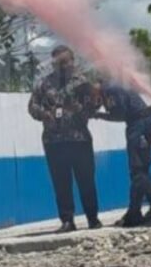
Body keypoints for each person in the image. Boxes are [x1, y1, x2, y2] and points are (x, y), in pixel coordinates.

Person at [28, 45, 101, 233]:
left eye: (66, 62)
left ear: (73, 61)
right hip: (54, 141)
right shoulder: (44, 84)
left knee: (86, 180)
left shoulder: (83, 82)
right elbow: (32, 106)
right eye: (58, 63)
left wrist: (83, 108)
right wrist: (45, 114)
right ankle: (67, 220)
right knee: (61, 183)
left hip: (79, 139)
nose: (63, 66)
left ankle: (92, 218)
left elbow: (94, 106)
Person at [90, 78, 151, 227]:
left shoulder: (110, 90)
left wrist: (99, 115)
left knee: (138, 170)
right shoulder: (114, 87)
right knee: (140, 170)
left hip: (138, 126)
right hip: (142, 124)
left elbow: (120, 114)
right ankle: (137, 211)